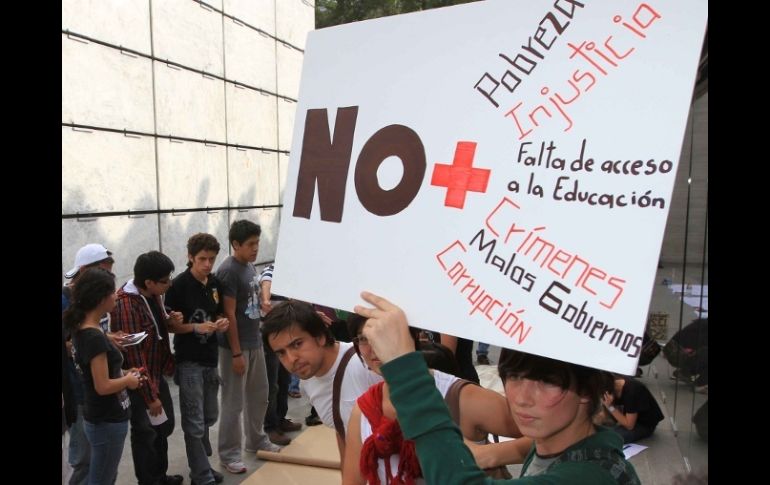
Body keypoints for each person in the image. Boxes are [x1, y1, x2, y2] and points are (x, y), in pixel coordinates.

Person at [355, 291, 641, 484]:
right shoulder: (568, 443)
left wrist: (406, 370)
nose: (522, 399)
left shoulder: (587, 476)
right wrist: (494, 453)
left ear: (588, 391)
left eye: (548, 383)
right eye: (514, 378)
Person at [342, 315, 522, 484]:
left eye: (383, 335)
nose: (374, 347)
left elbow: (546, 435)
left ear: (412, 335)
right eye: (363, 339)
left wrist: (488, 454)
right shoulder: (364, 410)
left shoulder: (459, 397)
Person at [261, 300, 382, 463]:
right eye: (281, 353)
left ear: (320, 337)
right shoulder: (308, 380)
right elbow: (342, 432)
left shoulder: (366, 365)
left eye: (297, 344)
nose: (291, 359)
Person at [111, 251, 184, 485]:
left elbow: (157, 323)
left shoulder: (153, 295)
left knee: (163, 426)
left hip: (155, 371)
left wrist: (170, 318)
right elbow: (133, 354)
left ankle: (159, 476)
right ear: (149, 282)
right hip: (139, 379)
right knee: (145, 432)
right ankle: (149, 480)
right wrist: (150, 396)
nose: (169, 284)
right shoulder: (125, 304)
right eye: (165, 281)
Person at [64, 268, 142, 485]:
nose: (116, 296)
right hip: (106, 419)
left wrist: (125, 372)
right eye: (111, 292)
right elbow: (103, 385)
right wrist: (128, 381)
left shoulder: (84, 330)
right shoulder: (94, 337)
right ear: (100, 298)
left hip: (103, 418)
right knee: (102, 479)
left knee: (106, 474)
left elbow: (100, 374)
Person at [164, 234, 229, 485]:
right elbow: (170, 326)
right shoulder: (178, 286)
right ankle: (201, 474)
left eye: (212, 259)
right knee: (193, 421)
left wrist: (221, 322)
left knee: (208, 416)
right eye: (202, 259)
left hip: (211, 358)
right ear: (190, 257)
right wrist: (195, 328)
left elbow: (219, 312)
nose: (207, 265)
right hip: (189, 360)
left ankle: (202, 466)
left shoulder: (214, 284)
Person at [216, 220, 278, 475]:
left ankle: (256, 440)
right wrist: (237, 353)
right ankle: (229, 454)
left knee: (260, 394)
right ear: (236, 244)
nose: (256, 248)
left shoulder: (249, 266)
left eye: (257, 243)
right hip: (236, 347)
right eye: (251, 244)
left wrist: (262, 307)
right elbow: (229, 314)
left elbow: (247, 303)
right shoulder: (229, 271)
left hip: (254, 340)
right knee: (233, 403)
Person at [62, 243, 125, 485]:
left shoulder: (91, 317)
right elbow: (75, 342)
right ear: (86, 270)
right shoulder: (67, 300)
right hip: (80, 393)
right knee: (84, 461)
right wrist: (98, 345)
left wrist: (107, 340)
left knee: (102, 464)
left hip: (95, 396)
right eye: (103, 269)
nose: (108, 275)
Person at [258, 264, 302, 446]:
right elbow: (266, 283)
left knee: (284, 380)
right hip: (270, 336)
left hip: (287, 335)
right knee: (272, 384)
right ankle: (271, 427)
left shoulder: (294, 273)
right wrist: (266, 299)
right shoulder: (272, 270)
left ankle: (281, 419)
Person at [601, 375, 664, 444]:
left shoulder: (631, 391)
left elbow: (629, 426)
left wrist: (610, 407)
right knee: (598, 431)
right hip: (629, 417)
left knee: (608, 438)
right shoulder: (616, 384)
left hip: (644, 424)